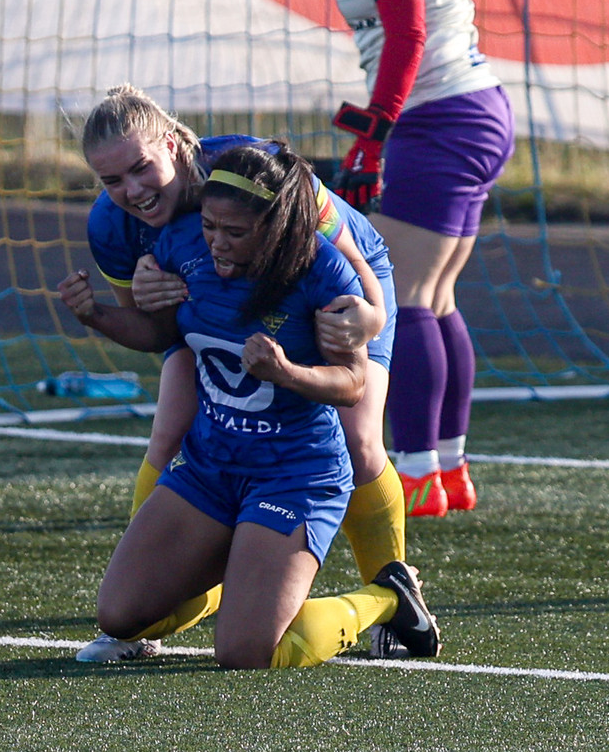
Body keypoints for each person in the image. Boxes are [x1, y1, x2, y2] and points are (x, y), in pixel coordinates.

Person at [58, 144, 440, 668]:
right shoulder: (182, 244)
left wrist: (287, 372)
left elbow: (352, 384)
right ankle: (231, 580)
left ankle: (388, 596)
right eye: (209, 226)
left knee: (245, 652)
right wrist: (96, 315)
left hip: (293, 476)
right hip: (210, 466)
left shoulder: (321, 272)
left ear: (274, 228)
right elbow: (161, 334)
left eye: (233, 232)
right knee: (119, 614)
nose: (216, 241)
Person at [275, 0, 516, 517]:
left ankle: (415, 474)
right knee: (433, 298)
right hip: (468, 112)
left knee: (403, 298)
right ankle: (447, 471)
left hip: (441, 120)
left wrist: (374, 135)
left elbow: (407, 33)